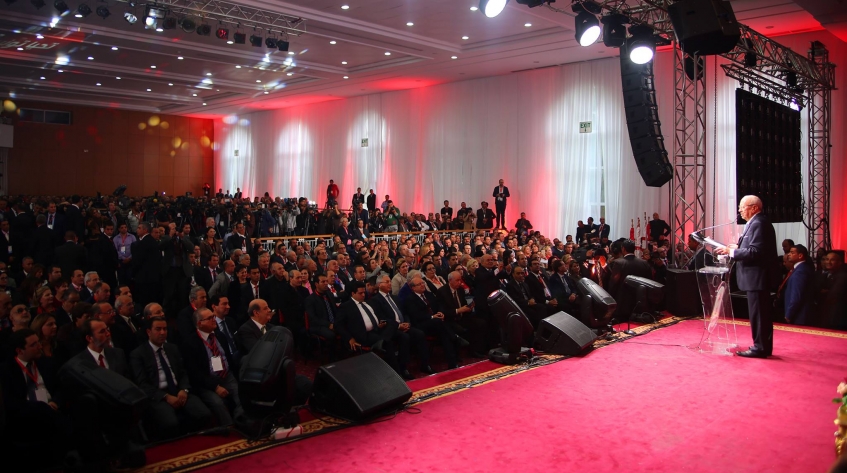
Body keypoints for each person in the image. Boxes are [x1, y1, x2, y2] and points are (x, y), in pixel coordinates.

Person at [129, 317, 212, 440]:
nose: (162, 332)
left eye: (165, 329)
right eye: (158, 329)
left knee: (204, 414)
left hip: (178, 390)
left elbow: (182, 372)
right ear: (148, 332)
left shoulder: (172, 348)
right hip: (158, 395)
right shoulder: (138, 354)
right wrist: (165, 397)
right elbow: (143, 384)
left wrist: (184, 389)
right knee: (170, 423)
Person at [715, 195, 778, 358]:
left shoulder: (759, 223)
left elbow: (756, 251)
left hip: (757, 278)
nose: (740, 210)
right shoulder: (756, 223)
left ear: (754, 208)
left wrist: (732, 252)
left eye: (742, 207)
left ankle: (760, 348)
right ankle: (762, 346)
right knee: (759, 314)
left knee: (759, 315)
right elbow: (753, 247)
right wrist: (737, 247)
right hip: (755, 278)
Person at [782, 244, 816, 326]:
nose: (789, 254)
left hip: (799, 316)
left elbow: (796, 295)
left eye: (792, 252)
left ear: (800, 256)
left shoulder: (800, 271)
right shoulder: (801, 269)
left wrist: (789, 314)